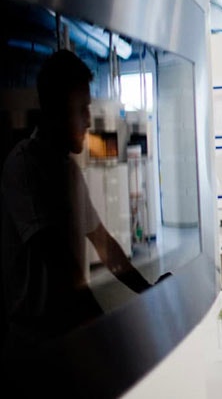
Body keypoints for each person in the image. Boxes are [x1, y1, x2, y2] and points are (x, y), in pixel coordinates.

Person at [0, 49, 152, 363]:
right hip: (36, 341)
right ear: (54, 110)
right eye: (81, 110)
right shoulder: (25, 165)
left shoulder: (68, 168)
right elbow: (55, 258)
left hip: (68, 329)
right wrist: (101, 323)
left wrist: (148, 290)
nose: (87, 121)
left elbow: (105, 245)